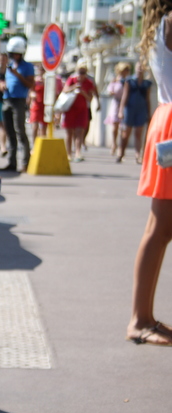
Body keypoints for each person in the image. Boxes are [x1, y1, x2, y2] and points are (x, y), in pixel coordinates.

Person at [126, 0, 172, 346]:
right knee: (160, 228)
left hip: (166, 122)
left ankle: (142, 318)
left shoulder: (161, 25)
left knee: (159, 228)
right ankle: (140, 320)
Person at [0, 36, 34, 173]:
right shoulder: (9, 66)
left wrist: (17, 75)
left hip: (18, 102)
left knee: (20, 132)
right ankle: (11, 163)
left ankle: (25, 163)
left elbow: (30, 84)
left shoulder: (27, 67)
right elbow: (5, 81)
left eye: (17, 54)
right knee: (10, 133)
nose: (14, 56)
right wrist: (2, 85)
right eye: (13, 54)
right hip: (7, 100)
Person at [117, 62, 152, 164]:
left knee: (138, 133)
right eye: (138, 67)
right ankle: (121, 153)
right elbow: (125, 96)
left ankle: (138, 155)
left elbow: (147, 99)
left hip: (141, 109)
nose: (140, 69)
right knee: (126, 133)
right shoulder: (129, 81)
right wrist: (121, 110)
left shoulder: (146, 83)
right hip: (130, 109)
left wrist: (149, 113)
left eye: (142, 68)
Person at [61, 59, 94, 162]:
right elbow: (65, 90)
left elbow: (90, 98)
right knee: (69, 132)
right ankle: (68, 153)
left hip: (82, 110)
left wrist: (83, 92)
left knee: (79, 131)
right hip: (70, 109)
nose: (81, 74)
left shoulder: (89, 82)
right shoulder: (72, 79)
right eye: (80, 72)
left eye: (83, 72)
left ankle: (78, 153)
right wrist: (74, 87)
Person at [104, 62, 132, 156]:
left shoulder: (129, 81)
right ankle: (114, 144)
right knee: (115, 126)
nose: (126, 72)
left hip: (126, 104)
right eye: (125, 70)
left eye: (127, 70)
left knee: (123, 127)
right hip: (116, 103)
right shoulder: (115, 80)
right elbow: (109, 91)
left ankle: (121, 148)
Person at [29, 65, 47, 147]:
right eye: (40, 69)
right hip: (36, 106)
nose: (41, 71)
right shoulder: (34, 81)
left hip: (45, 106)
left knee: (43, 127)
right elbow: (31, 91)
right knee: (35, 126)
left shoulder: (48, 80)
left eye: (43, 70)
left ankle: (42, 146)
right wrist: (32, 96)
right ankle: (34, 145)